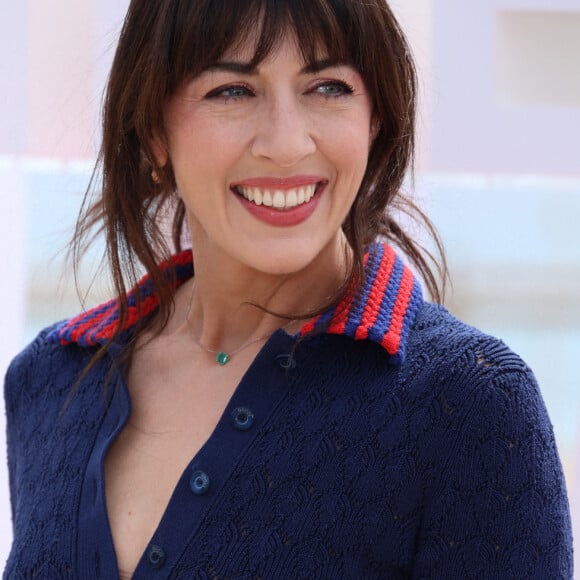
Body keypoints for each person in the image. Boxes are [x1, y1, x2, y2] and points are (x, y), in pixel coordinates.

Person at [3, 0, 573, 578]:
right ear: (154, 131)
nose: (286, 143)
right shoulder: (52, 380)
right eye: (232, 90)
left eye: (328, 87)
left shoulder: (468, 405)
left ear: (374, 120)